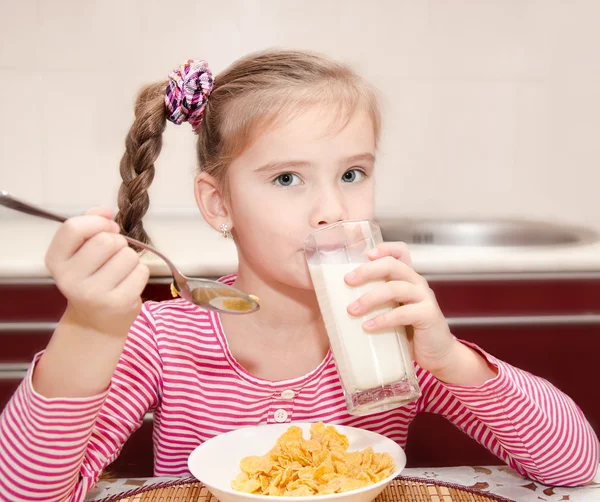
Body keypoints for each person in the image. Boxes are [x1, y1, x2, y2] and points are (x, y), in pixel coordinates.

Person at [0, 50, 597, 502]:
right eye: (287, 179)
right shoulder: (164, 337)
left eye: (353, 174)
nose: (333, 210)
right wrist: (91, 328)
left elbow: (575, 466)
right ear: (219, 205)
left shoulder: (386, 329)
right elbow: (26, 492)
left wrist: (451, 360)